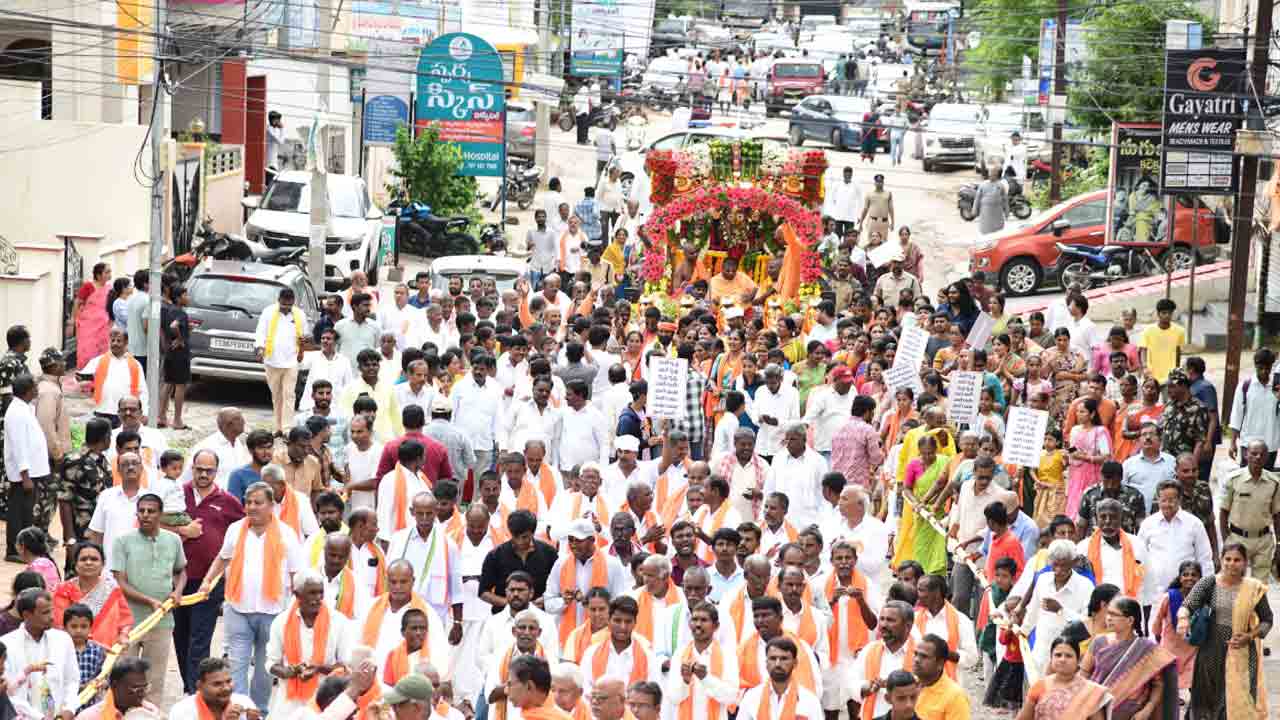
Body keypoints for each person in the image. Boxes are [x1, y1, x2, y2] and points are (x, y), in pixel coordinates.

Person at [198, 482, 303, 711]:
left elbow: (297, 574)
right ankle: (238, 711)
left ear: (271, 505)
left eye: (258, 503)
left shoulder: (287, 534)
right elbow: (223, 558)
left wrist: (297, 608)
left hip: (273, 612)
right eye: (248, 502)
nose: (252, 507)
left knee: (265, 669)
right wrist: (207, 581)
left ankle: (259, 711)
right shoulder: (235, 529)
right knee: (237, 665)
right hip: (237, 608)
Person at [1177, 541, 1273, 720]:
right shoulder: (1209, 583)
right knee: (1207, 699)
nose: (1231, 564)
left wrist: (1249, 636)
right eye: (1227, 559)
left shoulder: (1253, 588)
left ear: (1245, 563)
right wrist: (1183, 619)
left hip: (1242, 652)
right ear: (1221, 560)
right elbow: (1188, 605)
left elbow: (1267, 620)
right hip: (1211, 651)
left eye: (1237, 560)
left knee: (1236, 699)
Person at [110, 491, 186, 704]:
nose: (145, 515)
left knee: (154, 679)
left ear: (160, 514)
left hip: (162, 621)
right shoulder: (123, 541)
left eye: (151, 511)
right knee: (124, 677)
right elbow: (120, 582)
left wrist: (178, 591)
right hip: (128, 622)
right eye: (141, 511)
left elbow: (181, 571)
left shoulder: (173, 540)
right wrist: (148, 601)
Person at [264, 571, 351, 718]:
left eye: (320, 593)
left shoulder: (338, 622)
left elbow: (346, 668)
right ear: (297, 595)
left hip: (325, 702)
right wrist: (287, 672)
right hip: (288, 703)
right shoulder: (281, 622)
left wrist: (319, 668)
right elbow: (271, 663)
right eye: (311, 593)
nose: (317, 599)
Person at [1081, 596, 1174, 720]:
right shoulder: (1099, 642)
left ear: (1130, 620)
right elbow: (1084, 673)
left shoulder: (1147, 649)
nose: (1108, 618)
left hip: (1131, 714)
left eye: (1114, 614)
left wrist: (1147, 709)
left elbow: (1158, 684)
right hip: (1097, 710)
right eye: (1108, 613)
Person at [1, 588, 80, 720]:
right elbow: (8, 694)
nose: (52, 617)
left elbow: (72, 680)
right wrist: (39, 718)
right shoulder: (6, 645)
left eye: (51, 610)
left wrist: (69, 709)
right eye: (45, 612)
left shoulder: (63, 640)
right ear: (26, 615)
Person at [1218, 439, 1280, 582]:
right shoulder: (1233, 479)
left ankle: (1256, 605)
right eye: (1254, 453)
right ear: (1246, 454)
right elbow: (1223, 512)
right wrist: (1226, 540)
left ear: (1267, 458)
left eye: (1262, 454)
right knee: (1234, 582)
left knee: (1259, 587)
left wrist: (1278, 543)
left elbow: (1277, 515)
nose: (1258, 457)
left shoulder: (1274, 482)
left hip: (1263, 540)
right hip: (1237, 538)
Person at [5, 374, 49, 562]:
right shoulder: (16, 412)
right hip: (25, 473)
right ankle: (14, 550)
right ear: (27, 390)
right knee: (18, 512)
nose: (37, 390)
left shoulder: (25, 408)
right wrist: (25, 475)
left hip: (32, 470)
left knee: (26, 511)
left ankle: (24, 548)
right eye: (34, 387)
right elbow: (19, 445)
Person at [255, 288, 308, 435]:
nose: (285, 308)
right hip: (272, 360)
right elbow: (260, 332)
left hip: (291, 360)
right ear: (279, 301)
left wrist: (302, 348)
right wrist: (260, 348)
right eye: (283, 305)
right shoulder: (268, 312)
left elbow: (304, 336)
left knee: (289, 394)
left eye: (288, 305)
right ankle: (277, 427)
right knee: (276, 395)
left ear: (293, 302)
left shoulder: (299, 314)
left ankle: (287, 428)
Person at [1017, 637, 1111, 720]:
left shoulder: (1091, 692)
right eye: (1058, 655)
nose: (1062, 659)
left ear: (1078, 660)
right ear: (1051, 658)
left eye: (1068, 656)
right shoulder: (1039, 686)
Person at [167, 657, 260, 720]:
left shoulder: (244, 702)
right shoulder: (182, 712)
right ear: (200, 686)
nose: (226, 688)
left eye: (228, 681)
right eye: (217, 684)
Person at [912, 633, 969, 720]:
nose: (916, 660)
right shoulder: (909, 686)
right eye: (916, 654)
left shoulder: (955, 696)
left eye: (924, 656)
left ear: (940, 663)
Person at [73, 263, 113, 373]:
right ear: (99, 275)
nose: (110, 274)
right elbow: (78, 302)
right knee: (86, 351)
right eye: (107, 272)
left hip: (103, 326)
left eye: (110, 271)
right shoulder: (88, 286)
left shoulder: (109, 288)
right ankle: (85, 376)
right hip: (87, 325)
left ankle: (99, 377)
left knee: (102, 352)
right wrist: (74, 320)